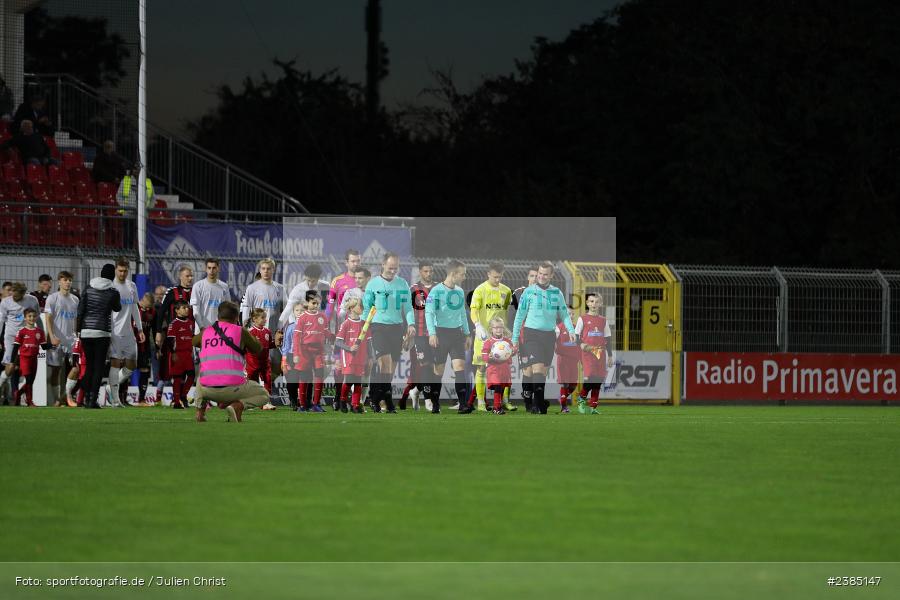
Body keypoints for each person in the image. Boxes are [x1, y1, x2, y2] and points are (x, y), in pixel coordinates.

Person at [511, 262, 577, 415]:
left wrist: (571, 330)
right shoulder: (528, 292)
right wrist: (515, 339)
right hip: (531, 334)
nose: (541, 276)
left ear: (551, 275)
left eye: (545, 274)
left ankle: (538, 402)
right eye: (540, 273)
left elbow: (564, 315)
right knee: (537, 368)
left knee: (542, 372)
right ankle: (537, 405)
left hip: (549, 336)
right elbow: (519, 316)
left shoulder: (557, 293)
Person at [193, 301, 270, 423]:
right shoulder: (240, 331)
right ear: (236, 317)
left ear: (218, 316)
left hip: (207, 390)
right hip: (233, 389)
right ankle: (238, 406)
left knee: (202, 375)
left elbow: (194, 342)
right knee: (264, 395)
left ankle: (200, 413)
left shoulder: (206, 332)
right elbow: (258, 349)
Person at [363, 252, 414, 414]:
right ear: (383, 265)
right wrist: (362, 328)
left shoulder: (403, 284)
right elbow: (366, 309)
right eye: (391, 268)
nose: (393, 271)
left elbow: (408, 308)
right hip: (378, 327)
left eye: (396, 268)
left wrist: (411, 324)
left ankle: (375, 398)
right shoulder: (373, 284)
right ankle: (388, 401)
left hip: (397, 328)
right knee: (384, 363)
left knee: (390, 369)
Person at [424, 260, 471, 414]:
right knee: (439, 371)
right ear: (453, 274)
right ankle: (435, 403)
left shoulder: (459, 291)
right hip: (441, 334)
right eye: (462, 274)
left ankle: (463, 404)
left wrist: (467, 333)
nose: (464, 277)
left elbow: (463, 314)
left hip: (456, 335)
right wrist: (432, 333)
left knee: (460, 368)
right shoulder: (435, 291)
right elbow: (429, 313)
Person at [239, 257, 285, 404]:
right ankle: (256, 398)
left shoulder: (280, 288)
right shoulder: (252, 288)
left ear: (273, 270)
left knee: (275, 366)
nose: (266, 271)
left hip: (272, 334)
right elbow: (246, 308)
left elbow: (285, 310)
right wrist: (246, 330)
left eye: (269, 268)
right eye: (263, 268)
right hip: (256, 333)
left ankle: (264, 395)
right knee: (254, 368)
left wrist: (280, 330)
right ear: (260, 270)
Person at [75, 263, 121, 409]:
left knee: (89, 366)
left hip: (86, 331)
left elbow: (80, 310)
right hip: (102, 332)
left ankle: (85, 395)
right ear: (112, 276)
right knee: (98, 367)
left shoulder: (88, 288)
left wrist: (78, 330)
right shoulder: (113, 291)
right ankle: (92, 400)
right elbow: (117, 308)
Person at [469, 262, 513, 412]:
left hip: (500, 336)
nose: (497, 279)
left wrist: (507, 330)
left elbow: (506, 313)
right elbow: (473, 309)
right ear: (488, 274)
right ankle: (481, 402)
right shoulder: (480, 290)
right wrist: (477, 325)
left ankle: (504, 401)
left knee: (503, 368)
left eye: (500, 277)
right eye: (495, 277)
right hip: (484, 336)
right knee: (481, 368)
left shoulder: (506, 291)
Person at [107, 258, 144, 407]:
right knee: (115, 363)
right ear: (116, 270)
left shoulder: (132, 286)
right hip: (115, 332)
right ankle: (115, 400)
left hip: (129, 332)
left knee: (132, 365)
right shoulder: (110, 287)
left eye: (125, 271)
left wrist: (139, 329)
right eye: (120, 270)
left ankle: (111, 386)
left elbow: (135, 308)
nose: (122, 273)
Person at [155, 266, 194, 404]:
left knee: (191, 370)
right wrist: (159, 332)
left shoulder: (197, 291)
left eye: (191, 276)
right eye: (187, 276)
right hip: (176, 337)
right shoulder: (172, 292)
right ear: (180, 276)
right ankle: (175, 398)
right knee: (175, 370)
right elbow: (161, 312)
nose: (190, 278)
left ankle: (182, 396)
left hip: (192, 336)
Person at [400, 260, 435, 411]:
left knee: (434, 369)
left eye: (430, 271)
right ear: (420, 272)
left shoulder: (437, 289)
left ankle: (416, 391)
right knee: (424, 366)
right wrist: (407, 331)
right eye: (425, 271)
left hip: (434, 334)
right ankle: (428, 400)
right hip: (419, 334)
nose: (428, 274)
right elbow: (407, 310)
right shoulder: (413, 289)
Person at [0, 282, 41, 405]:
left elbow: (38, 318)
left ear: (23, 293)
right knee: (11, 366)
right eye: (13, 293)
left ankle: (23, 397)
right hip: (11, 337)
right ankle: (2, 384)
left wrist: (42, 335)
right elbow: (1, 321)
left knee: (27, 369)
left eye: (18, 295)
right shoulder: (5, 302)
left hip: (26, 337)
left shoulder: (32, 300)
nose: (14, 296)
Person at [44, 271, 79, 406]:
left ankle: (66, 395)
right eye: (65, 280)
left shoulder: (75, 299)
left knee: (77, 367)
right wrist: (51, 336)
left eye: (70, 280)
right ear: (59, 282)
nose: (68, 282)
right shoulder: (52, 298)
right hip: (56, 340)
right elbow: (48, 318)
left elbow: (75, 319)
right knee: (56, 370)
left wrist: (76, 335)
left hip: (71, 340)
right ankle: (57, 400)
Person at [292, 291, 331, 412]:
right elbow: (297, 337)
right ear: (307, 303)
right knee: (304, 377)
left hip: (318, 351)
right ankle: (302, 405)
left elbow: (326, 333)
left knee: (319, 375)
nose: (316, 305)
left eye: (318, 303)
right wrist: (296, 353)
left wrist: (337, 337)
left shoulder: (322, 317)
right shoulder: (302, 317)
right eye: (313, 303)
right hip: (304, 351)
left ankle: (316, 404)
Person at [576, 293, 614, 415]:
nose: (594, 304)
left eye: (596, 302)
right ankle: (581, 398)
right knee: (591, 377)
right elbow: (576, 336)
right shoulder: (582, 318)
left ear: (600, 304)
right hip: (588, 353)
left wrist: (610, 355)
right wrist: (581, 344)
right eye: (591, 301)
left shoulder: (603, 320)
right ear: (587, 303)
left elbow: (608, 338)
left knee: (598, 379)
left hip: (600, 353)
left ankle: (593, 406)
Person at [508, 265, 538, 411]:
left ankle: (536, 401)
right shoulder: (519, 293)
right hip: (523, 338)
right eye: (532, 276)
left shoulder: (546, 294)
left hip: (541, 338)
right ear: (527, 277)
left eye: (537, 276)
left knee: (538, 370)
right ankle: (528, 403)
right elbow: (511, 317)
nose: (534, 279)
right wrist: (513, 338)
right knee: (528, 371)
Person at [335, 297, 371, 413]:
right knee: (349, 379)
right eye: (359, 305)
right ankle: (343, 401)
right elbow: (338, 341)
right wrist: (349, 348)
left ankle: (355, 405)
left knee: (358, 381)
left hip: (361, 357)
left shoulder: (364, 324)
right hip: (349, 357)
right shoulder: (346, 324)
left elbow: (369, 342)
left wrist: (371, 358)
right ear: (351, 308)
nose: (362, 307)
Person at [10, 308, 48, 406]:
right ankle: (29, 401)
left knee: (30, 381)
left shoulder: (40, 331)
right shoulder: (21, 331)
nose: (32, 318)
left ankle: (18, 394)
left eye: (34, 316)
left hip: (34, 359)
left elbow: (44, 346)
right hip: (24, 359)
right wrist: (11, 362)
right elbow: (15, 348)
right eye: (29, 316)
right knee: (28, 379)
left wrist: (53, 345)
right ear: (25, 318)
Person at [165, 300, 195, 409]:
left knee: (191, 376)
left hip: (188, 354)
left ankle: (183, 395)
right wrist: (172, 353)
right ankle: (176, 402)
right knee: (177, 378)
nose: (187, 309)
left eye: (187, 307)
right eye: (183, 307)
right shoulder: (174, 324)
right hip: (177, 354)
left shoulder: (191, 323)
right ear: (177, 310)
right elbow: (169, 340)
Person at [481, 316, 514, 414]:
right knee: (498, 386)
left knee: (502, 387)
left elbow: (511, 352)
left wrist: (514, 351)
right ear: (491, 329)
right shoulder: (488, 342)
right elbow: (484, 355)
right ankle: (496, 407)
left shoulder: (507, 341)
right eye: (496, 327)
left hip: (505, 368)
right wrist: (489, 357)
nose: (499, 329)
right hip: (494, 369)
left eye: (501, 327)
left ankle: (498, 405)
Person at [190, 258, 232, 332]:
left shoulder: (224, 286)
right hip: (202, 330)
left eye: (214, 268)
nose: (211, 271)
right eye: (209, 268)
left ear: (218, 269)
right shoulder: (198, 286)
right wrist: (201, 327)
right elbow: (195, 311)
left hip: (220, 330)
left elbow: (227, 308)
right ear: (205, 269)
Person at [246, 307, 276, 408]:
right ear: (254, 319)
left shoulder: (267, 331)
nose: (265, 319)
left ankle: (266, 401)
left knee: (268, 380)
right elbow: (246, 347)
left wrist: (276, 343)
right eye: (262, 317)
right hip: (252, 363)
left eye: (265, 317)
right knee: (252, 383)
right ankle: (251, 402)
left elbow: (269, 344)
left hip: (265, 362)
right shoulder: (250, 332)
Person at [555, 305, 581, 414]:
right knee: (565, 384)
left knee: (573, 385)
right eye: (568, 314)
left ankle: (562, 397)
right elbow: (553, 343)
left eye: (572, 314)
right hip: (563, 360)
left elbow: (580, 344)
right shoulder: (558, 328)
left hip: (574, 361)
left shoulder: (577, 328)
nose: (570, 316)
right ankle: (564, 406)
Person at [279, 303, 305, 409]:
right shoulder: (290, 327)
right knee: (292, 380)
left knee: (305, 380)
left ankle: (304, 401)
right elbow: (286, 344)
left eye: (302, 310)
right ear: (293, 312)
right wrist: (284, 360)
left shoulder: (309, 326)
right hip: (291, 355)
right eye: (297, 310)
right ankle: (293, 401)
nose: (299, 313)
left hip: (305, 356)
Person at [136, 292, 156, 405]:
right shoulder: (133, 308)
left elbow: (153, 330)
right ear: (142, 300)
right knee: (127, 370)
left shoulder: (152, 312)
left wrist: (156, 347)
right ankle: (120, 396)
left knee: (145, 370)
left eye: (150, 307)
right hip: (131, 345)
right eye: (147, 306)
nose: (148, 308)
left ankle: (142, 399)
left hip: (145, 347)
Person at [65, 336, 87, 406]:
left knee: (86, 382)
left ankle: (80, 400)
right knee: (83, 380)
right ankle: (69, 398)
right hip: (83, 364)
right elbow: (75, 352)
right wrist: (75, 364)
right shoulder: (80, 339)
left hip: (91, 363)